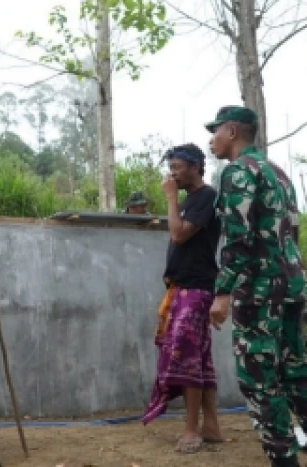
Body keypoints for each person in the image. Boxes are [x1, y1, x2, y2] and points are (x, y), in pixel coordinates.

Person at [208, 106, 307, 467]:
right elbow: (292, 232)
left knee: (261, 380)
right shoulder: (278, 173)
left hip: (260, 293)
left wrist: (222, 292)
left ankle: (283, 459)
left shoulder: (237, 172)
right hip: (292, 287)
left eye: (215, 131)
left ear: (232, 131)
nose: (211, 139)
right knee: (296, 373)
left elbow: (238, 237)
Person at [141, 143, 223, 453]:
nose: (172, 172)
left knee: (188, 358)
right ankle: (211, 424)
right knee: (200, 357)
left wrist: (171, 198)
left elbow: (178, 235)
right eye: (171, 166)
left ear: (196, 166)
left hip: (196, 288)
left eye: (177, 166)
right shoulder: (192, 200)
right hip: (183, 287)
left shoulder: (205, 197)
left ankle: (191, 430)